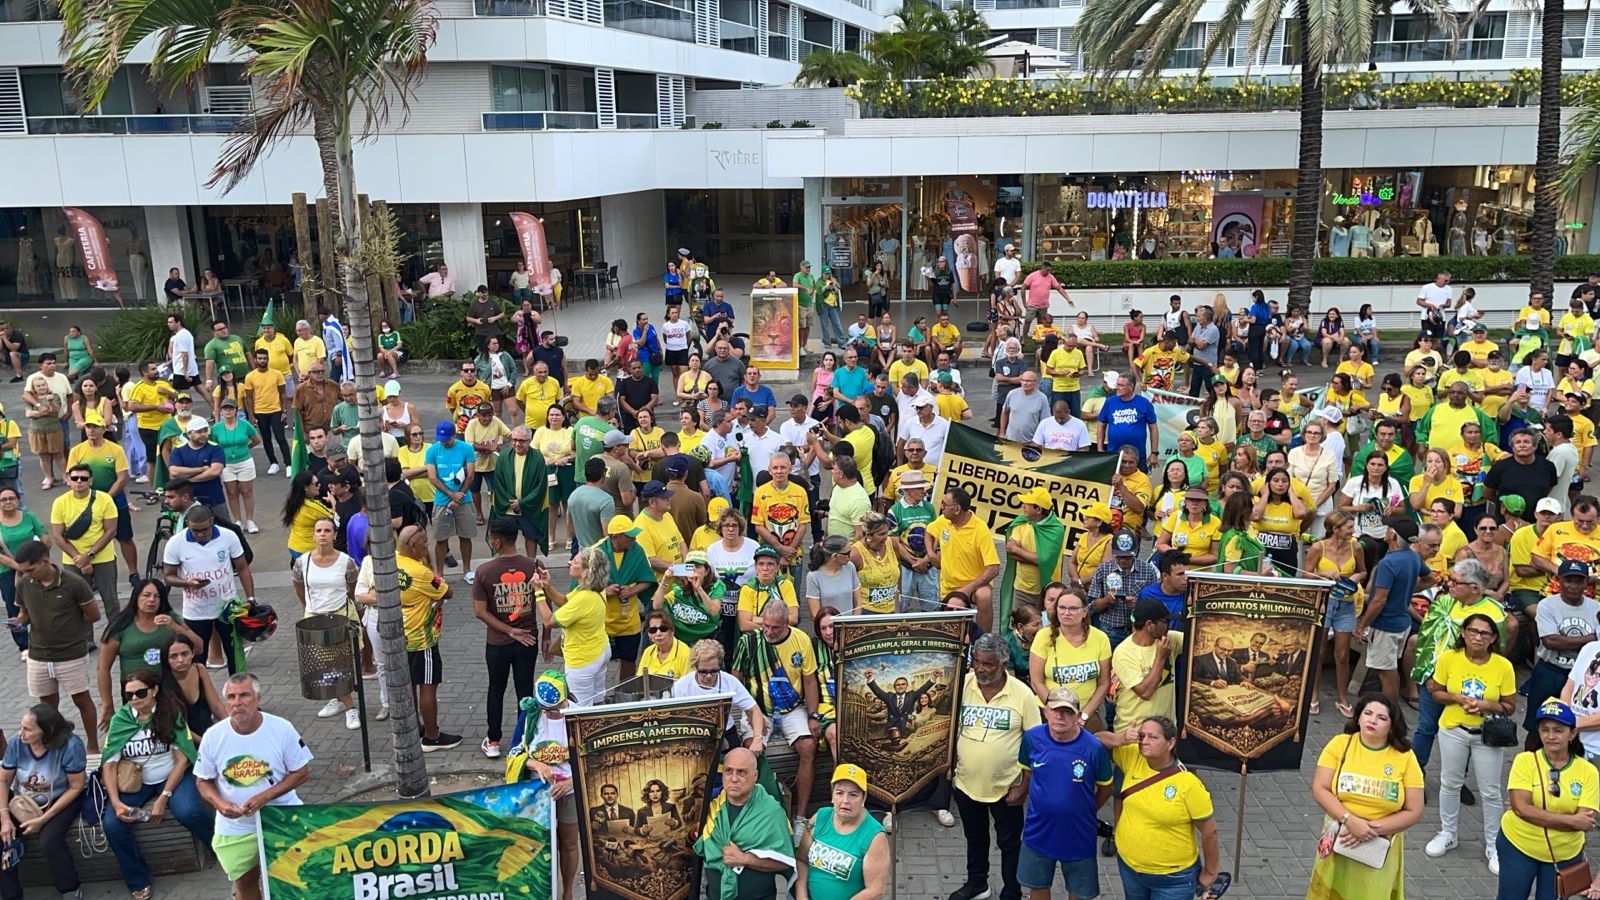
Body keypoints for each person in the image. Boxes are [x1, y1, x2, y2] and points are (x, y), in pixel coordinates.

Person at [194, 673, 311, 900]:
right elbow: (202, 781)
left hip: (281, 818)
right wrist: (220, 804)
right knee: (245, 883)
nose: (237, 702)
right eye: (231, 697)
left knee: (291, 880)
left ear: (258, 698)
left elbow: (301, 772)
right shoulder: (213, 736)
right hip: (236, 827)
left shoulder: (282, 729)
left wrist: (265, 797)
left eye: (244, 695)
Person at [100, 667, 213, 899]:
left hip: (172, 774)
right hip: (136, 781)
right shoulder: (120, 720)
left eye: (140, 693)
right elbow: (109, 765)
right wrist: (116, 802)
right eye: (128, 694)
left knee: (189, 811)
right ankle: (137, 878)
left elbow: (182, 760)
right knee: (112, 824)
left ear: (154, 691)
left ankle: (218, 845)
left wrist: (164, 797)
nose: (134, 699)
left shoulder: (171, 713)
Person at [948, 632, 1041, 900]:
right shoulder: (962, 685)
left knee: (1009, 844)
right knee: (975, 838)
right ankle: (977, 884)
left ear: (1003, 664)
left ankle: (1012, 890)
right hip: (966, 783)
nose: (980, 668)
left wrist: (1025, 785)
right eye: (976, 661)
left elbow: (1035, 743)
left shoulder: (1023, 694)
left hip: (1007, 787)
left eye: (987, 664)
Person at [1423, 611, 1516, 873]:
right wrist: (1457, 698)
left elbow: (1510, 706)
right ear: (1463, 633)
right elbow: (1436, 692)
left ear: (1493, 638)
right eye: (1473, 631)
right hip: (1453, 729)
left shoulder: (1503, 666)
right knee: (1450, 783)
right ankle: (1448, 833)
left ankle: (1494, 844)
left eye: (1485, 633)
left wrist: (1486, 705)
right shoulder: (1449, 658)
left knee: (1490, 791)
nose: (1478, 637)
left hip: (1487, 735)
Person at [1306, 694, 1424, 899]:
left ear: (1392, 725)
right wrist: (1350, 821)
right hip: (1339, 837)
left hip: (1380, 843)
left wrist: (1369, 830)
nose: (1372, 720)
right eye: (1368, 713)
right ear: (1358, 717)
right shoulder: (1340, 744)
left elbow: (1414, 810)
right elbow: (1319, 788)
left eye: (1382, 717)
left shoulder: (1405, 757)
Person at [1096, 715, 1223, 900]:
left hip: (1173, 878)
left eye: (1153, 737)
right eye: (1142, 736)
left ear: (1170, 743)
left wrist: (1210, 873)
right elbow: (1096, 739)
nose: (1144, 741)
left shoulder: (1188, 783)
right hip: (1130, 869)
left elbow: (1209, 831)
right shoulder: (1133, 756)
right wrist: (1121, 738)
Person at [732, 597, 820, 838]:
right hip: (758, 708)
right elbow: (735, 680)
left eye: (775, 628)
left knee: (808, 747)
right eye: (766, 626)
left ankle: (800, 817)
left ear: (787, 623)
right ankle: (756, 815)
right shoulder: (748, 642)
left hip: (792, 708)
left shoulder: (801, 640)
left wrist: (813, 715)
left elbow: (810, 681)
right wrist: (748, 714)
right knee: (750, 750)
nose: (769, 632)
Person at [1495, 699, 1600, 898]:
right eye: (1545, 730)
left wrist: (1534, 814)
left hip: (1564, 854)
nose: (1550, 736)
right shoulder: (1524, 761)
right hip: (1518, 845)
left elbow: (1584, 821)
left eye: (1558, 730)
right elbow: (1520, 808)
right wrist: (1570, 820)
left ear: (1572, 734)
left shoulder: (1588, 771)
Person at [11, 539, 100, 752]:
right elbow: (24, 613)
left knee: (81, 699)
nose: (25, 575)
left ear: (45, 562)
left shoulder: (74, 583)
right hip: (38, 655)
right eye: (22, 571)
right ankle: (54, 743)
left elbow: (93, 614)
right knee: (47, 706)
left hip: (71, 654)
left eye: (30, 569)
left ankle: (93, 745)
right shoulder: (23, 584)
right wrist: (19, 622)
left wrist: (67, 627)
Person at [0, 704, 87, 900]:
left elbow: (76, 786)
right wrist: (5, 817)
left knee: (50, 841)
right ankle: (11, 895)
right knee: (4, 835)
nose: (21, 733)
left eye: (28, 729)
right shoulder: (16, 743)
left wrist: (43, 819)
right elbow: (3, 780)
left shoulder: (71, 746)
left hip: (61, 798)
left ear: (47, 731)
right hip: (25, 800)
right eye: (21, 727)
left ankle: (69, 888)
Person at [473, 517, 541, 759]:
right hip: (529, 640)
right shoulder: (534, 566)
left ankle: (493, 740)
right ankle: (525, 739)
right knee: (525, 689)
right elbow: (544, 602)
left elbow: (480, 611)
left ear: (497, 542)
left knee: (496, 688)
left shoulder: (483, 571)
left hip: (497, 643)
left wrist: (507, 630)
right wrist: (546, 637)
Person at [162, 504, 253, 674]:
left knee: (235, 659)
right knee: (196, 663)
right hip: (196, 612)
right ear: (187, 524)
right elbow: (168, 576)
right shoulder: (176, 543)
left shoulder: (228, 536)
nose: (200, 534)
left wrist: (251, 599)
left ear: (212, 521)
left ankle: (238, 689)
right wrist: (187, 583)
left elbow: (242, 568)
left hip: (228, 610)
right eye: (195, 531)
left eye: (205, 529)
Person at [695, 746, 794, 900]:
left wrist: (744, 859)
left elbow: (784, 861)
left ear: (755, 776)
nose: (734, 778)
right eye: (729, 771)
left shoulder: (771, 811)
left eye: (741, 772)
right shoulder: (712, 807)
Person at [794, 763, 889, 900]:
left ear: (863, 798)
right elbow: (801, 860)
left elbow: (875, 890)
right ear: (832, 796)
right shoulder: (819, 818)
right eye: (839, 793)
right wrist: (801, 896)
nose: (845, 801)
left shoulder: (874, 836)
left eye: (853, 795)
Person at [534, 544, 611, 705]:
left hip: (583, 661)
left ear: (586, 571)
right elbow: (565, 603)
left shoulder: (583, 598)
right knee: (598, 702)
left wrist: (538, 592)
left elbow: (548, 621)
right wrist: (547, 585)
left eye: (575, 562)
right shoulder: (593, 588)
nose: (570, 562)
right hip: (600, 650)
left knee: (579, 709)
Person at [928, 486, 1000, 632]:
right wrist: (930, 554)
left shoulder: (980, 529)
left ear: (957, 509)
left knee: (984, 595)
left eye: (945, 504)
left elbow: (993, 568)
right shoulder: (943, 521)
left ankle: (983, 639)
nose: (941, 507)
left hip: (974, 585)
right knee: (951, 628)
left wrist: (966, 590)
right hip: (948, 586)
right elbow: (928, 531)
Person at [1110, 598, 1181, 731]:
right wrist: (1160, 658)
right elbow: (1145, 692)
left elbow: (1198, 641)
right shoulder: (1124, 653)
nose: (1169, 625)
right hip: (1134, 731)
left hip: (1165, 732)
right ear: (1150, 625)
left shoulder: (1169, 638)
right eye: (1165, 621)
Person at [426, 419, 477, 580]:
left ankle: (467, 570)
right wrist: (451, 494)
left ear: (454, 435)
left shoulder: (466, 448)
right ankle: (439, 574)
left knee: (465, 536)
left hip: (464, 499)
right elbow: (432, 477)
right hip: (442, 500)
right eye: (441, 439)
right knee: (441, 538)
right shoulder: (432, 450)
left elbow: (470, 475)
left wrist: (459, 494)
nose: (444, 442)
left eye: (447, 439)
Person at [1096, 372, 1159, 464]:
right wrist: (1100, 449)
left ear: (1131, 387)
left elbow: (1153, 428)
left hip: (1138, 455)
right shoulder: (1110, 402)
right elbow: (1101, 425)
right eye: (1117, 384)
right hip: (1113, 454)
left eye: (1121, 385)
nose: (1117, 387)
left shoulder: (1144, 403)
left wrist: (1154, 453)